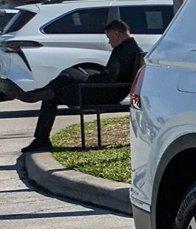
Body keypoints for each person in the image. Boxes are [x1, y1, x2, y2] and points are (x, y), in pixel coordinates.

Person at [19, 19, 145, 153]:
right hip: (108, 90)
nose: (109, 42)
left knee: (52, 96)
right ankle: (40, 94)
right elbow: (111, 76)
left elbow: (109, 78)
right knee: (68, 74)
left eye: (109, 37)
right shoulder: (129, 48)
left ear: (117, 33)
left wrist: (88, 78)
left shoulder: (124, 51)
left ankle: (41, 137)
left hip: (104, 94)